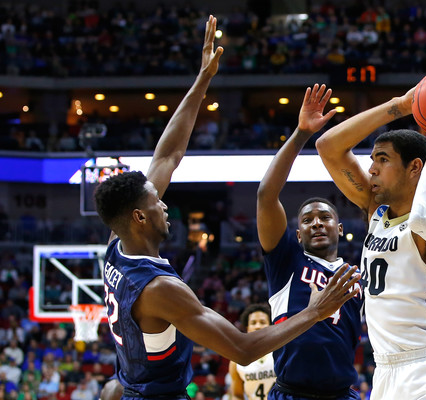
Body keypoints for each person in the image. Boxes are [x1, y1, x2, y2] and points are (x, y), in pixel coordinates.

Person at [94, 17, 359, 400]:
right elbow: (244, 349)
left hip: (136, 382)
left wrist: (202, 80)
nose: (165, 205)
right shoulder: (161, 289)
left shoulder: (117, 244)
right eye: (156, 203)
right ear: (139, 217)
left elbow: (168, 154)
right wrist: (317, 311)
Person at [316, 78, 426, 399]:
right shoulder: (378, 213)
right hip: (384, 371)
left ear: (414, 167)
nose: (372, 169)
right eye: (372, 160)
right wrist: (401, 106)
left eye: (383, 159)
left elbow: (425, 221)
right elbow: (328, 146)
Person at [257, 84, 364, 400]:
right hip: (293, 392)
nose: (316, 222)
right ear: (298, 233)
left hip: (342, 393)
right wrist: (302, 133)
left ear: (340, 227)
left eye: (324, 217)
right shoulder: (286, 259)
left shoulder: (356, 275)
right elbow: (266, 195)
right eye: (307, 220)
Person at [228, 304, 276, 400]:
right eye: (253, 323)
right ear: (247, 327)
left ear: (270, 325)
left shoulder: (281, 351)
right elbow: (237, 394)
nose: (257, 326)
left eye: (262, 322)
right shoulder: (236, 360)